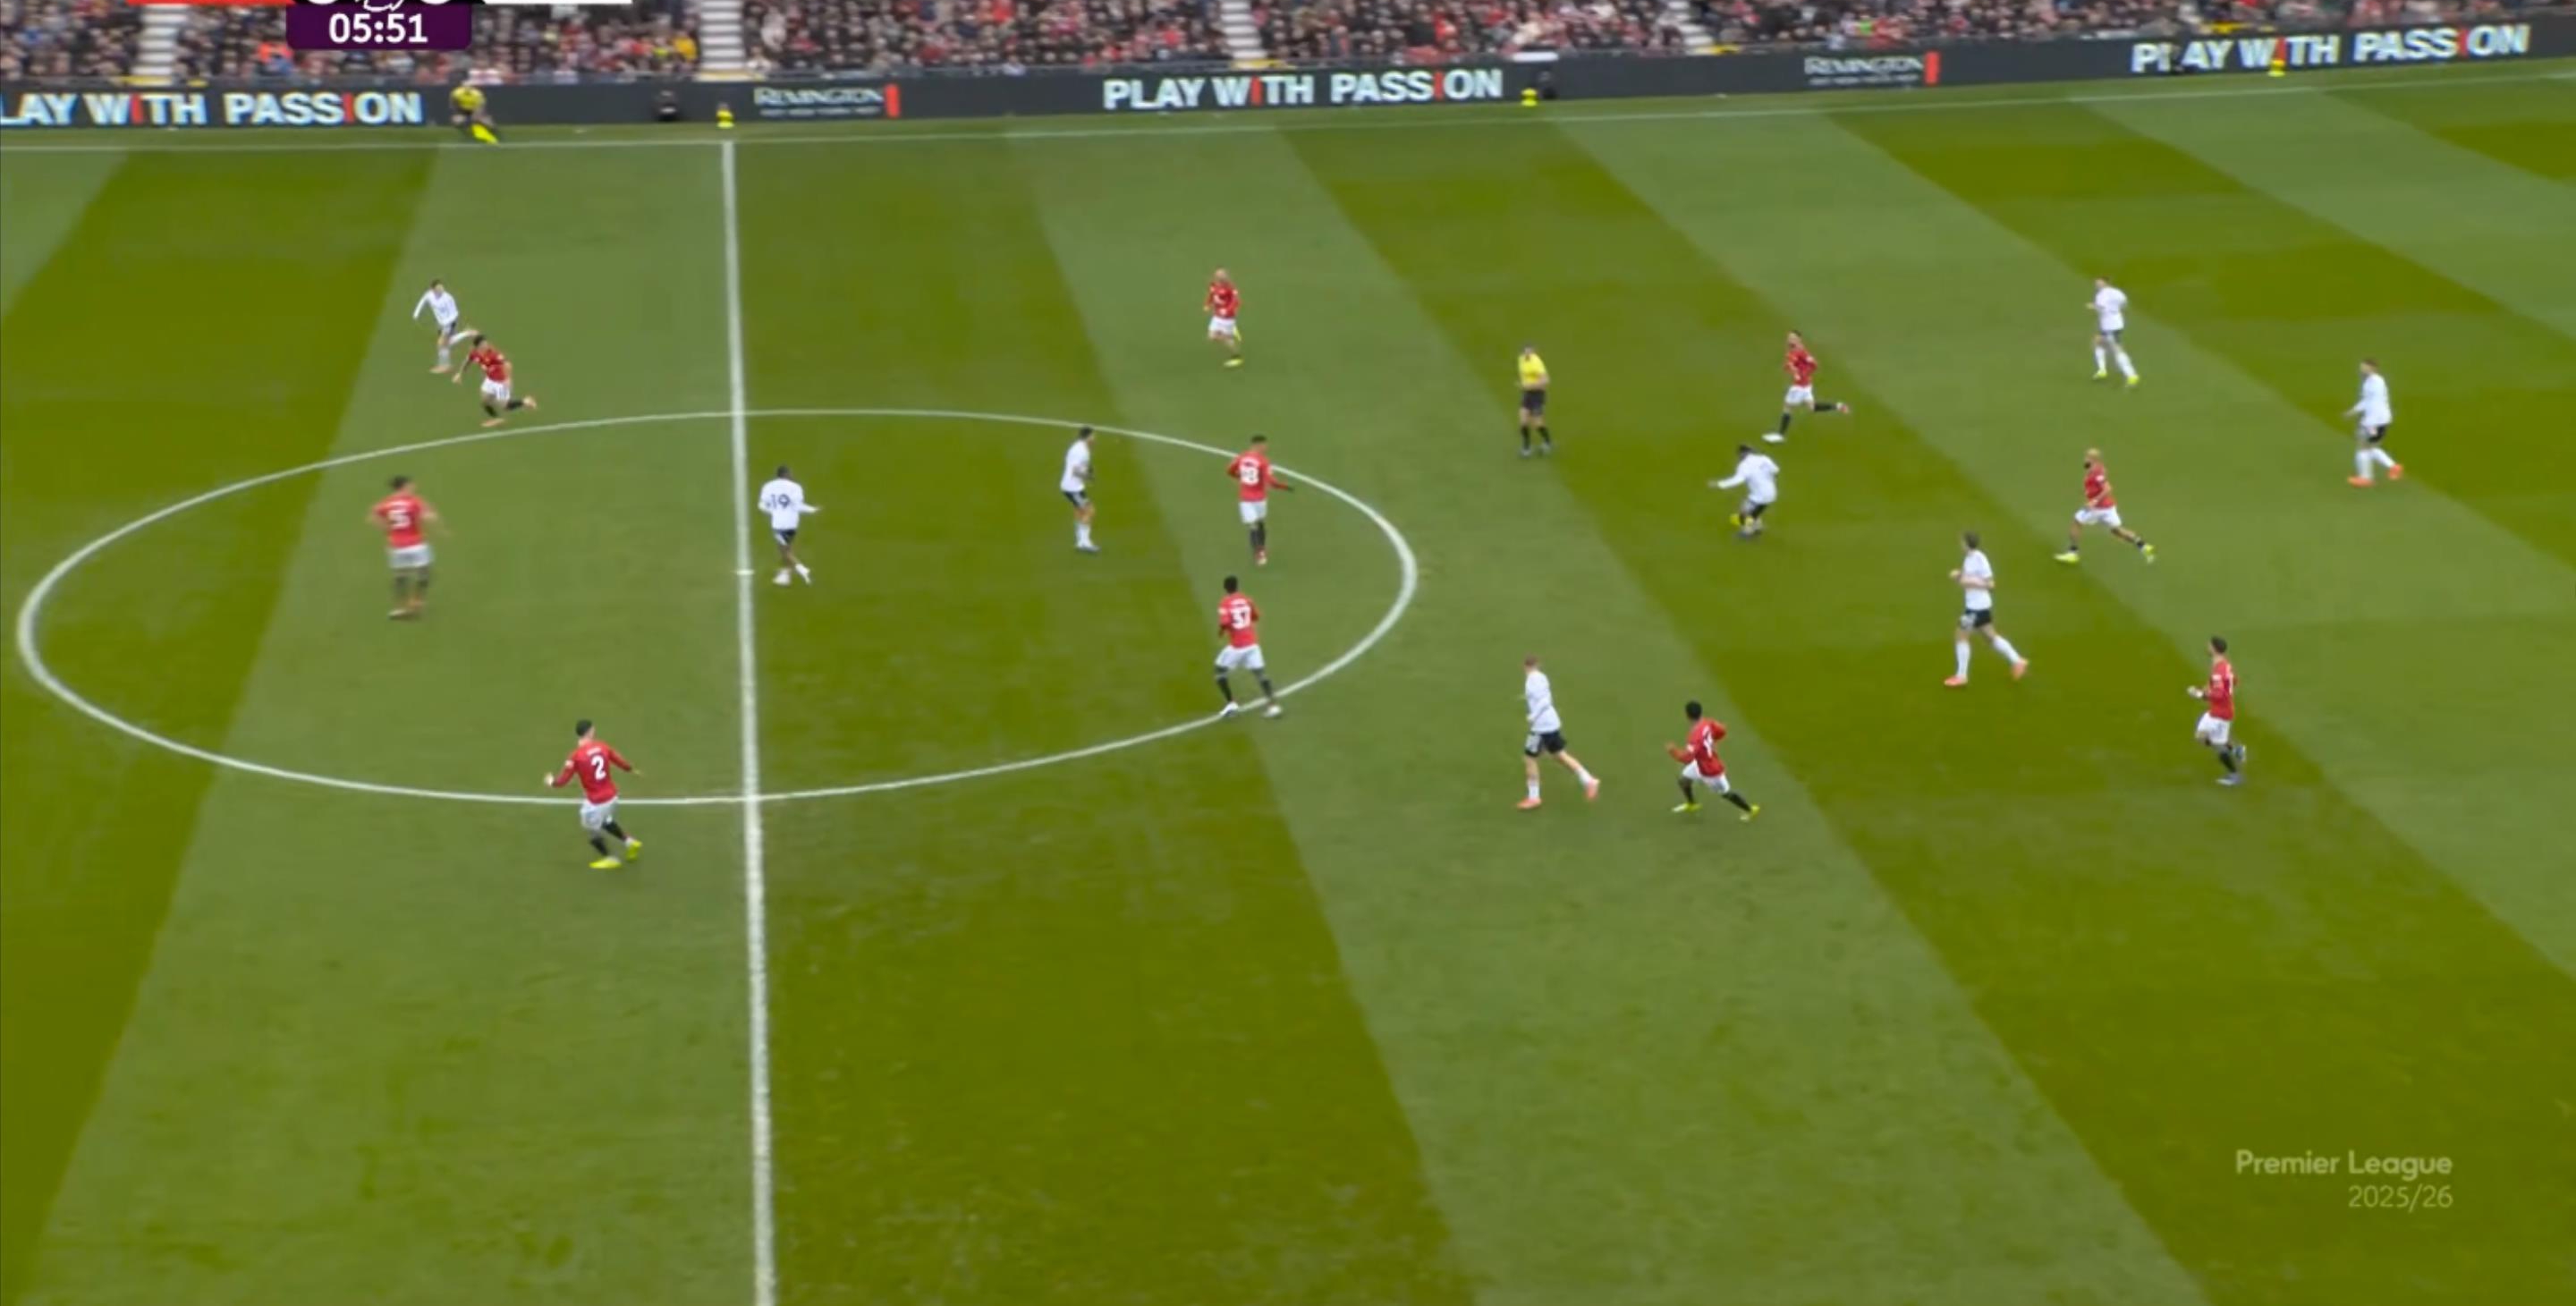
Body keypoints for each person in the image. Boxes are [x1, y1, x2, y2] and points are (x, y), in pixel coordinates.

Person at [546, 720, 641, 869]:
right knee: (606, 821)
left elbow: (563, 781)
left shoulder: (575, 756)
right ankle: (630, 842)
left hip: (596, 802)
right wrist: (631, 770)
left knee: (591, 831)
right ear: (590, 732)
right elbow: (619, 761)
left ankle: (611, 859)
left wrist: (551, 782)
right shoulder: (603, 746)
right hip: (612, 796)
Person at [1945, 530, 2029, 687]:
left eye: (1962, 542)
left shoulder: (1980, 559)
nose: (1960, 544)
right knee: (1990, 637)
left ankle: (1961, 676)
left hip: (1976, 608)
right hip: (1979, 606)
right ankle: (2018, 661)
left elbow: (1990, 584)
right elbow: (1969, 576)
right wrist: (1960, 575)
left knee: (1961, 635)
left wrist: (1965, 580)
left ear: (1967, 544)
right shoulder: (1969, 558)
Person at [1518, 656, 1599, 810]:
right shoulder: (1542, 677)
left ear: (1525, 667)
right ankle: (1589, 780)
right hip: (1551, 723)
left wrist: (1533, 716)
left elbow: (1544, 701)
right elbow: (1547, 698)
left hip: (1541, 727)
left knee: (1530, 758)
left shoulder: (1532, 680)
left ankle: (1533, 798)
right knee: (1559, 756)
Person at [2055, 447, 2155, 564]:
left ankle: (2072, 553)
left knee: (2077, 522)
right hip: (2109, 508)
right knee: (2116, 531)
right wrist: (2088, 492)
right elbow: (2096, 480)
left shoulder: (2097, 473)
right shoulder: (2098, 468)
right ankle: (2142, 545)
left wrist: (2094, 500)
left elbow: (2107, 488)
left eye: (2087, 457)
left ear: (2092, 459)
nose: (2084, 459)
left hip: (2098, 508)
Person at [1669, 700, 1758, 819]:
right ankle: (1692, 804)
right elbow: (1722, 731)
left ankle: (1750, 810)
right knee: (1684, 781)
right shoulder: (1708, 722)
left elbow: (1687, 758)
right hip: (1699, 764)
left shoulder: (1694, 736)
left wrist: (1673, 752)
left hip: (1711, 771)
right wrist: (1711, 742)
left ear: (1687, 716)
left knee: (1726, 793)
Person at [370, 474, 440, 619]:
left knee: (400, 576)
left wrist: (387, 531)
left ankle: (400, 607)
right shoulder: (413, 501)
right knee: (424, 573)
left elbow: (374, 515)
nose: (414, 487)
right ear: (405, 486)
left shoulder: (386, 503)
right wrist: (432, 514)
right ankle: (417, 601)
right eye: (411, 485)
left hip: (396, 546)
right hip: (416, 544)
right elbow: (427, 517)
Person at [1213, 575, 1283, 718]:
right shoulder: (1247, 600)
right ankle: (1273, 706)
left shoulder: (1225, 603)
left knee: (1219, 672)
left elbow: (1225, 623)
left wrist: (1221, 632)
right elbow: (1255, 617)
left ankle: (1231, 703)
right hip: (1252, 644)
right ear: (1237, 586)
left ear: (1225, 588)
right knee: (1261, 675)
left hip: (1237, 647)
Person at [1767, 331, 1850, 445]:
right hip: (1805, 385)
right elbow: (1793, 365)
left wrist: (1802, 374)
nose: (1789, 340)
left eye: (1793, 338)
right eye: (1789, 337)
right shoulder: (1794, 351)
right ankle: (1838, 406)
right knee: (1812, 407)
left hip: (1799, 386)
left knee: (1788, 407)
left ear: (1798, 339)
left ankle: (1780, 435)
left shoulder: (1801, 352)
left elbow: (1814, 364)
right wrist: (1790, 368)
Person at [1225, 434, 1292, 566]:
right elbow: (1272, 481)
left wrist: (1239, 477)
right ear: (1258, 445)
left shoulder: (1241, 457)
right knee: (1255, 524)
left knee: (1256, 524)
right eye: (1264, 445)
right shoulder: (1263, 461)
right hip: (1259, 498)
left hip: (1246, 497)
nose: (1266, 448)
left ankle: (1260, 548)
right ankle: (1259, 552)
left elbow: (1230, 470)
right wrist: (1284, 486)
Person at [2187, 636, 2247, 786]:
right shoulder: (2225, 665)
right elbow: (2234, 681)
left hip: (2220, 714)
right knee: (2206, 738)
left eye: (2209, 645)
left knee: (2211, 742)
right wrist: (2206, 689)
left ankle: (2234, 775)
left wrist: (2199, 694)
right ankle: (2236, 750)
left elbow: (2219, 695)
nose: (2207, 647)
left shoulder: (2219, 670)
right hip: (2219, 711)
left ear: (2214, 649)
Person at [452, 334, 538, 428]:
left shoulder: (494, 354)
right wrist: (460, 374)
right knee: (485, 401)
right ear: (478, 347)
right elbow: (468, 360)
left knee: (505, 406)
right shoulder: (475, 354)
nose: (486, 345)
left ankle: (525, 402)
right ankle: (497, 418)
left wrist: (508, 379)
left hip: (501, 381)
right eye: (483, 344)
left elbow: (508, 364)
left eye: (486, 343)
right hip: (490, 380)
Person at [757, 465, 819, 585]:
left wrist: (773, 511)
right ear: (786, 474)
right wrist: (812, 510)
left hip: (778, 524)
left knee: (784, 551)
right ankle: (786, 575)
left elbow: (761, 506)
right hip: (792, 524)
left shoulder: (768, 486)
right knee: (787, 548)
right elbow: (798, 506)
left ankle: (801, 568)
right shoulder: (796, 487)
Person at [2345, 359, 2403, 487]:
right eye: (2362, 367)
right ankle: (2393, 467)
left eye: (2365, 368)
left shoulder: (2375, 383)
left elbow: (2372, 403)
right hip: (2380, 420)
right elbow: (2367, 401)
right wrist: (2353, 411)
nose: (2362, 370)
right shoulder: (2371, 382)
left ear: (2373, 369)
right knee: (2371, 447)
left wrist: (2366, 423)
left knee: (2363, 446)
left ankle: (2366, 478)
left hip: (2375, 421)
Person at [1710, 444, 1781, 539]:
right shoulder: (1764, 458)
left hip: (1759, 496)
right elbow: (1776, 470)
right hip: (1772, 493)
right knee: (1751, 510)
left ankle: (1747, 533)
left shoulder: (1744, 465)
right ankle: (1757, 527)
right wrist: (1771, 479)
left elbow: (1737, 480)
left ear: (1742, 454)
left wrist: (1719, 484)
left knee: (1745, 513)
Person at [411, 279, 469, 374]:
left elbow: (454, 313)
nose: (441, 290)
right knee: (447, 343)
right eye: (438, 288)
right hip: (441, 324)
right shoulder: (429, 295)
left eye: (441, 288)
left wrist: (447, 324)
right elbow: (423, 301)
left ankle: (445, 366)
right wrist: (416, 314)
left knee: (441, 343)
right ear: (433, 289)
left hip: (449, 323)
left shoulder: (448, 298)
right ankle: (467, 333)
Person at [2090, 278, 2140, 386]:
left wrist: (2093, 306)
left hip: (2109, 325)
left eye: (2099, 283)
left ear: (2106, 283)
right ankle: (2102, 370)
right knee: (2098, 341)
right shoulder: (2118, 292)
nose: (2097, 285)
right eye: (2097, 283)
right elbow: (2124, 303)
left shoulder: (2101, 295)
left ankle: (2131, 375)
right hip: (2116, 322)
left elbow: (2101, 308)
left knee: (2116, 349)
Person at [1062, 425, 1099, 554]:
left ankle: (1080, 541)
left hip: (1073, 486)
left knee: (1080, 511)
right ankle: (1084, 543)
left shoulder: (1080, 447)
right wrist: (1088, 476)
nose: (1094, 439)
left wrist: (1087, 472)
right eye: (1093, 436)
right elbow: (1075, 471)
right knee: (1090, 511)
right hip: (1072, 488)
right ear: (1088, 437)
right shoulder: (1080, 451)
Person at [1516, 344, 1554, 457]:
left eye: (1531, 353)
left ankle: (1547, 442)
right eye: (1526, 352)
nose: (1528, 354)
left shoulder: (1536, 363)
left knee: (1537, 423)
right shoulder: (1521, 360)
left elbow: (1546, 381)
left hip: (1538, 395)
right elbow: (1524, 377)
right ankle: (1526, 447)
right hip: (1527, 394)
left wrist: (1529, 385)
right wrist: (1524, 386)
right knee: (1523, 421)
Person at [1205, 268, 1243, 368]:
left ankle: (1237, 356)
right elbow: (1211, 295)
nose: (1220, 276)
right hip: (1217, 316)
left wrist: (1227, 310)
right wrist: (1207, 304)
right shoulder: (1214, 285)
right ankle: (1228, 336)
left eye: (1222, 275)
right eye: (1218, 275)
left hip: (1227, 319)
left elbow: (1236, 301)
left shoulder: (1231, 288)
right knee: (1211, 336)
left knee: (1224, 339)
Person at [449, 80, 500, 145]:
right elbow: (453, 104)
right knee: (457, 122)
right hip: (463, 111)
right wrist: (458, 112)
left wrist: (476, 115)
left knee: (489, 124)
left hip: (475, 110)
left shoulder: (477, 94)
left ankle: (493, 133)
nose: (467, 90)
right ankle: (469, 134)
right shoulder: (456, 93)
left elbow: (481, 106)